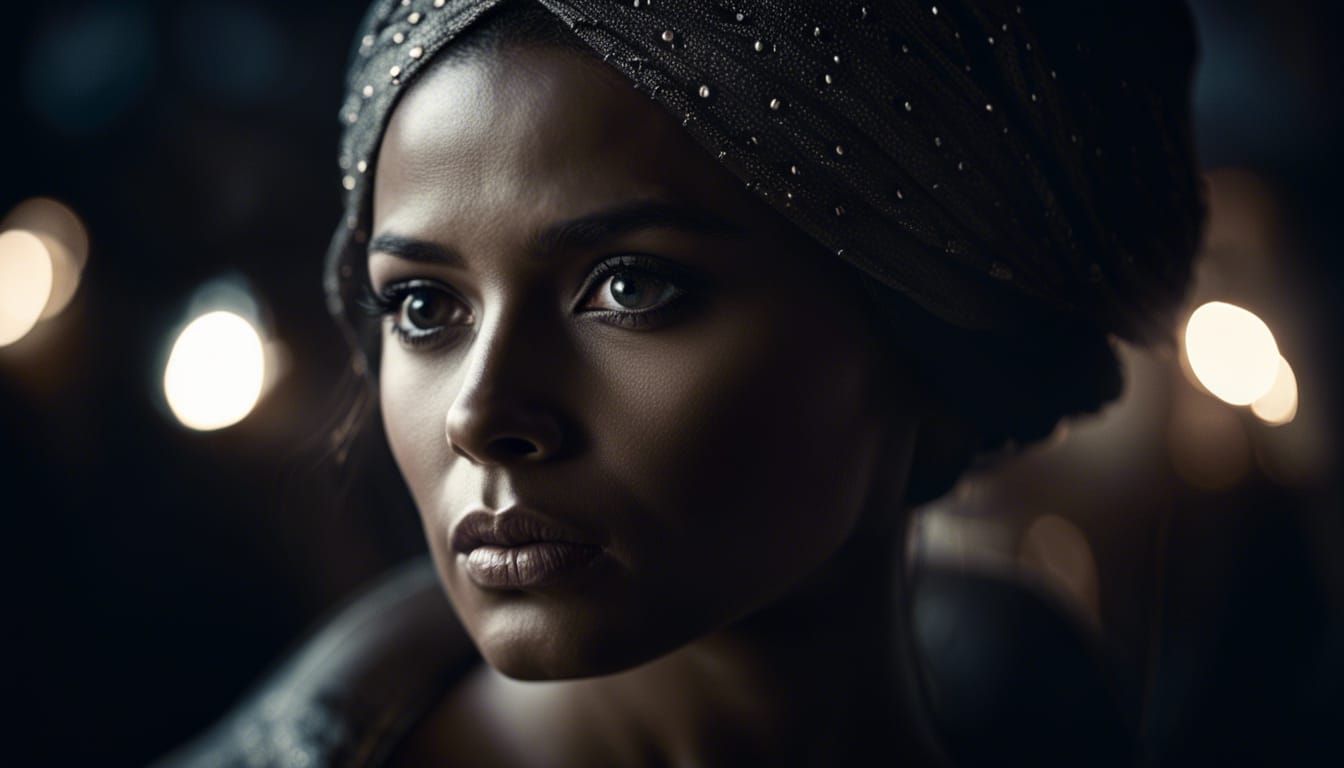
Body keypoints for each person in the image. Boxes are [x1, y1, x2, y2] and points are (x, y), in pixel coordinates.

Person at [155, 0, 1204, 765]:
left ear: (926, 323)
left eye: (630, 286)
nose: (481, 415)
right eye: (425, 307)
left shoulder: (1062, 708)